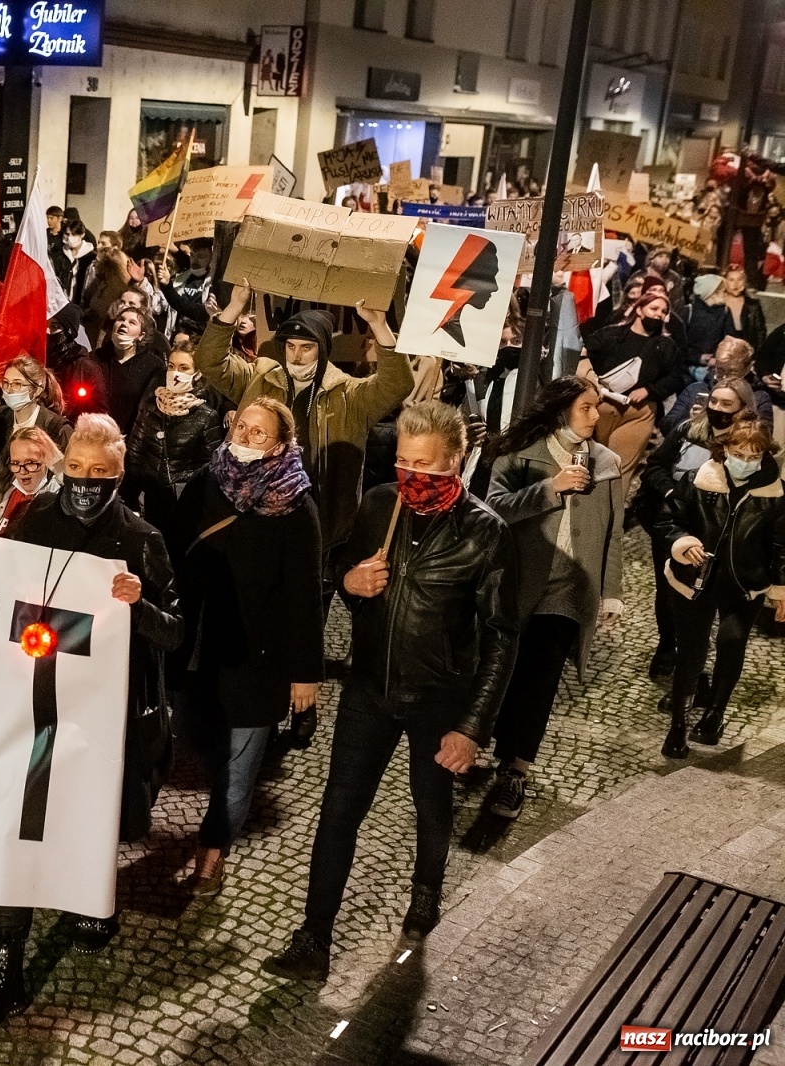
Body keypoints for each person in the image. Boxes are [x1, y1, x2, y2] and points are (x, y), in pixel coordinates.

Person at [263, 401, 518, 982]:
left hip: (439, 698)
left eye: (425, 465)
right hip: (369, 689)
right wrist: (352, 584)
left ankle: (426, 890)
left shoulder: (486, 533)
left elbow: (502, 639)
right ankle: (314, 936)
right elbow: (341, 573)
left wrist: (472, 727)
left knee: (431, 804)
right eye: (403, 461)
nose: (411, 477)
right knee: (338, 812)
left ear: (455, 461)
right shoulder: (381, 504)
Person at [0, 414, 181, 1025]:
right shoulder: (39, 521)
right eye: (76, 471)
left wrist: (140, 609)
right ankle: (8, 965)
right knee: (19, 825)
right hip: (34, 702)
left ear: (119, 473)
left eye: (99, 473)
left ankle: (93, 900)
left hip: (102, 719)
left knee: (88, 818)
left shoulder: (142, 538)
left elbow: (177, 631)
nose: (85, 483)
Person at [198, 289, 413, 744]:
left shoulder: (348, 393)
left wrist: (378, 325)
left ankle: (303, 706)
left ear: (323, 350)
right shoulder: (261, 379)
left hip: (323, 527)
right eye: (291, 347)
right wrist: (233, 309)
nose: (296, 356)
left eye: (307, 348)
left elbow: (395, 385)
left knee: (306, 618)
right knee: (265, 617)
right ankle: (260, 699)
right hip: (262, 523)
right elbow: (210, 361)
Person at [168, 398, 323, 897]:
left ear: (281, 444)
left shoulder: (297, 506)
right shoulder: (205, 483)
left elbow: (304, 596)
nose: (246, 437)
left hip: (260, 661)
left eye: (260, 433)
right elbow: (170, 556)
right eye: (242, 427)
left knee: (238, 772)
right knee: (203, 746)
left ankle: (211, 855)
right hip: (200, 653)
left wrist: (305, 672)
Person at [481, 377, 624, 820]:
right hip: (517, 582)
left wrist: (612, 593)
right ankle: (479, 739)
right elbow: (492, 509)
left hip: (568, 589)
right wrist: (551, 488)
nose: (595, 416)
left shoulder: (607, 463)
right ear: (562, 409)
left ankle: (515, 768)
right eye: (587, 407)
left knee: (540, 677)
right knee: (504, 669)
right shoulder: (518, 454)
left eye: (597, 407)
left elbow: (613, 533)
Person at [657, 419, 785, 757]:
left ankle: (715, 713)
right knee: (691, 652)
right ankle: (679, 727)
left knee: (731, 642)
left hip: (745, 585)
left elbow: (781, 547)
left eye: (754, 455)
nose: (745, 460)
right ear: (724, 449)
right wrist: (683, 541)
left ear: (764, 455)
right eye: (738, 452)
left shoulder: (776, 494)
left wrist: (781, 592)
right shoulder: (698, 480)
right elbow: (669, 519)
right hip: (696, 580)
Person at [639, 378, 757, 678]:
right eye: (713, 401)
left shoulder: (747, 445)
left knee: (705, 601)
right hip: (673, 525)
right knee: (668, 591)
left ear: (743, 409)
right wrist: (672, 494)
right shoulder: (688, 431)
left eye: (726, 404)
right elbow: (654, 467)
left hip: (716, 535)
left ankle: (692, 665)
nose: (717, 408)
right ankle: (668, 647)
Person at [580, 292, 686, 486]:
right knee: (589, 463)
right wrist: (592, 383)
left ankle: (612, 514)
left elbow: (675, 378)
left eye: (663, 311)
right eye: (653, 309)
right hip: (600, 406)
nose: (658, 314)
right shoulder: (612, 335)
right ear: (639, 309)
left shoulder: (665, 346)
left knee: (618, 469)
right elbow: (584, 354)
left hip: (637, 413)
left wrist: (649, 390)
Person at [125, 343, 224, 529]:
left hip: (182, 508)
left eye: (184, 368)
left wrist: (178, 484)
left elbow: (208, 469)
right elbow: (134, 456)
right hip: (149, 504)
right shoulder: (150, 406)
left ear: (198, 374)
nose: (175, 372)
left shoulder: (206, 416)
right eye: (171, 366)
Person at [0, 356, 70, 478]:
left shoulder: (57, 428)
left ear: (37, 390)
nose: (9, 390)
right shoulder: (0, 418)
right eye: (6, 383)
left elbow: (69, 478)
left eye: (17, 384)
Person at [665, 337, 772, 431]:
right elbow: (666, 425)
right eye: (720, 370)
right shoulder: (696, 389)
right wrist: (690, 419)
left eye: (732, 372)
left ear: (747, 369)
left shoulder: (758, 399)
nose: (725, 377)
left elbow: (764, 436)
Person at [91, 305, 166, 435]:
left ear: (141, 336)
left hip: (129, 439)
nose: (124, 324)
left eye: (132, 322)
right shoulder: (95, 358)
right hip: (93, 434)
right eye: (121, 319)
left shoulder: (153, 366)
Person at [0, 425, 63, 537]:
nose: (22, 471)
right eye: (16, 463)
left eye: (30, 463)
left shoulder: (58, 497)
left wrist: (60, 468)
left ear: (47, 462)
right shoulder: (3, 492)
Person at [50, 219, 95, 305]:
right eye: (67, 234)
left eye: (74, 234)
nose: (70, 237)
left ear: (82, 235)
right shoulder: (59, 255)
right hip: (62, 301)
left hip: (81, 301)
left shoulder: (91, 257)